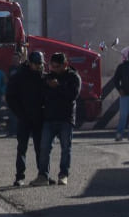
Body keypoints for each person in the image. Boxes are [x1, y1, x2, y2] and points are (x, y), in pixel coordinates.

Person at [31, 52, 81, 186]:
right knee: (44, 148)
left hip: (66, 118)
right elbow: (43, 93)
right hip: (49, 118)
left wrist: (57, 87)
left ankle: (63, 175)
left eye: (57, 66)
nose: (53, 69)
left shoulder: (73, 77)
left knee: (66, 148)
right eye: (52, 66)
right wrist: (52, 88)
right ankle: (43, 176)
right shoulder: (48, 77)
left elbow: (72, 96)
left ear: (65, 65)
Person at [5, 51, 45, 186]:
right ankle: (19, 176)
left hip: (38, 118)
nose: (39, 66)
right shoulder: (19, 77)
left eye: (40, 64)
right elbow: (10, 96)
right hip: (24, 118)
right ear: (30, 63)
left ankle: (43, 175)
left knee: (41, 148)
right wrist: (20, 113)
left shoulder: (43, 77)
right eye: (37, 64)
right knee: (22, 148)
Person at [114, 47, 129, 142]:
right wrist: (119, 89)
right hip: (125, 95)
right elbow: (116, 80)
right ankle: (119, 134)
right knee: (123, 116)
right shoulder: (121, 67)